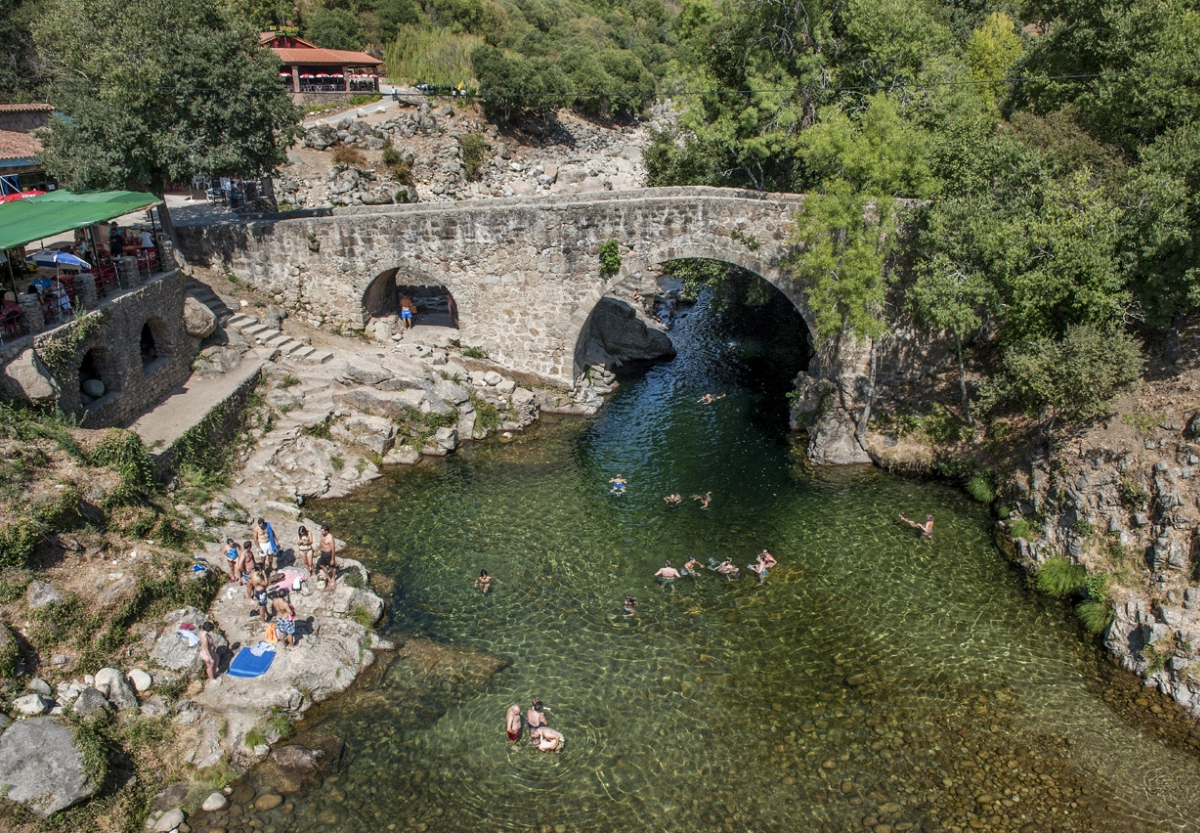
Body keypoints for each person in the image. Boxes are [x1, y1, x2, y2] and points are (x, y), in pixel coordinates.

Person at [198, 621, 221, 686]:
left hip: (210, 651)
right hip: (206, 654)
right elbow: (206, 649)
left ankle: (214, 673)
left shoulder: (201, 632)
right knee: (210, 666)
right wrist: (210, 658)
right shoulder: (205, 638)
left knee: (217, 659)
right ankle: (212, 679)